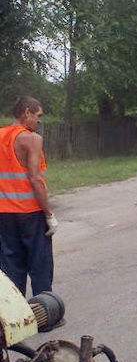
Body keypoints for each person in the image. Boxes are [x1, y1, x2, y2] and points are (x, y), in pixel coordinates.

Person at [0, 96, 58, 296]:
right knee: (39, 262)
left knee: (10, 265)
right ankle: (46, 312)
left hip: (4, 214)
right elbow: (35, 179)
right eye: (38, 115)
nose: (39, 121)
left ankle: (17, 316)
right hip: (30, 213)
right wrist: (49, 215)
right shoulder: (32, 139)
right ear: (27, 113)